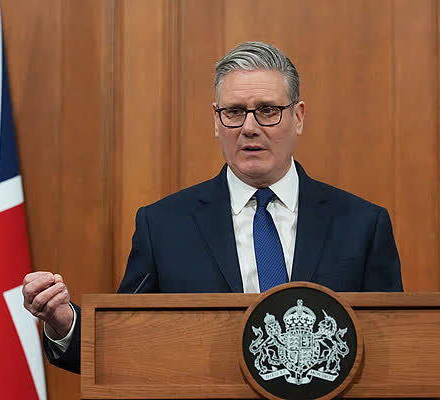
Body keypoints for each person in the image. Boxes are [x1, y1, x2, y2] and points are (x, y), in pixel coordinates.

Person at [22, 41, 403, 374]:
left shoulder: (362, 224)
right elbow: (122, 341)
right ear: (217, 121)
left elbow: (394, 347)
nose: (250, 127)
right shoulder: (164, 226)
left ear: (298, 116)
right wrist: (64, 322)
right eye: (234, 112)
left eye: (268, 110)